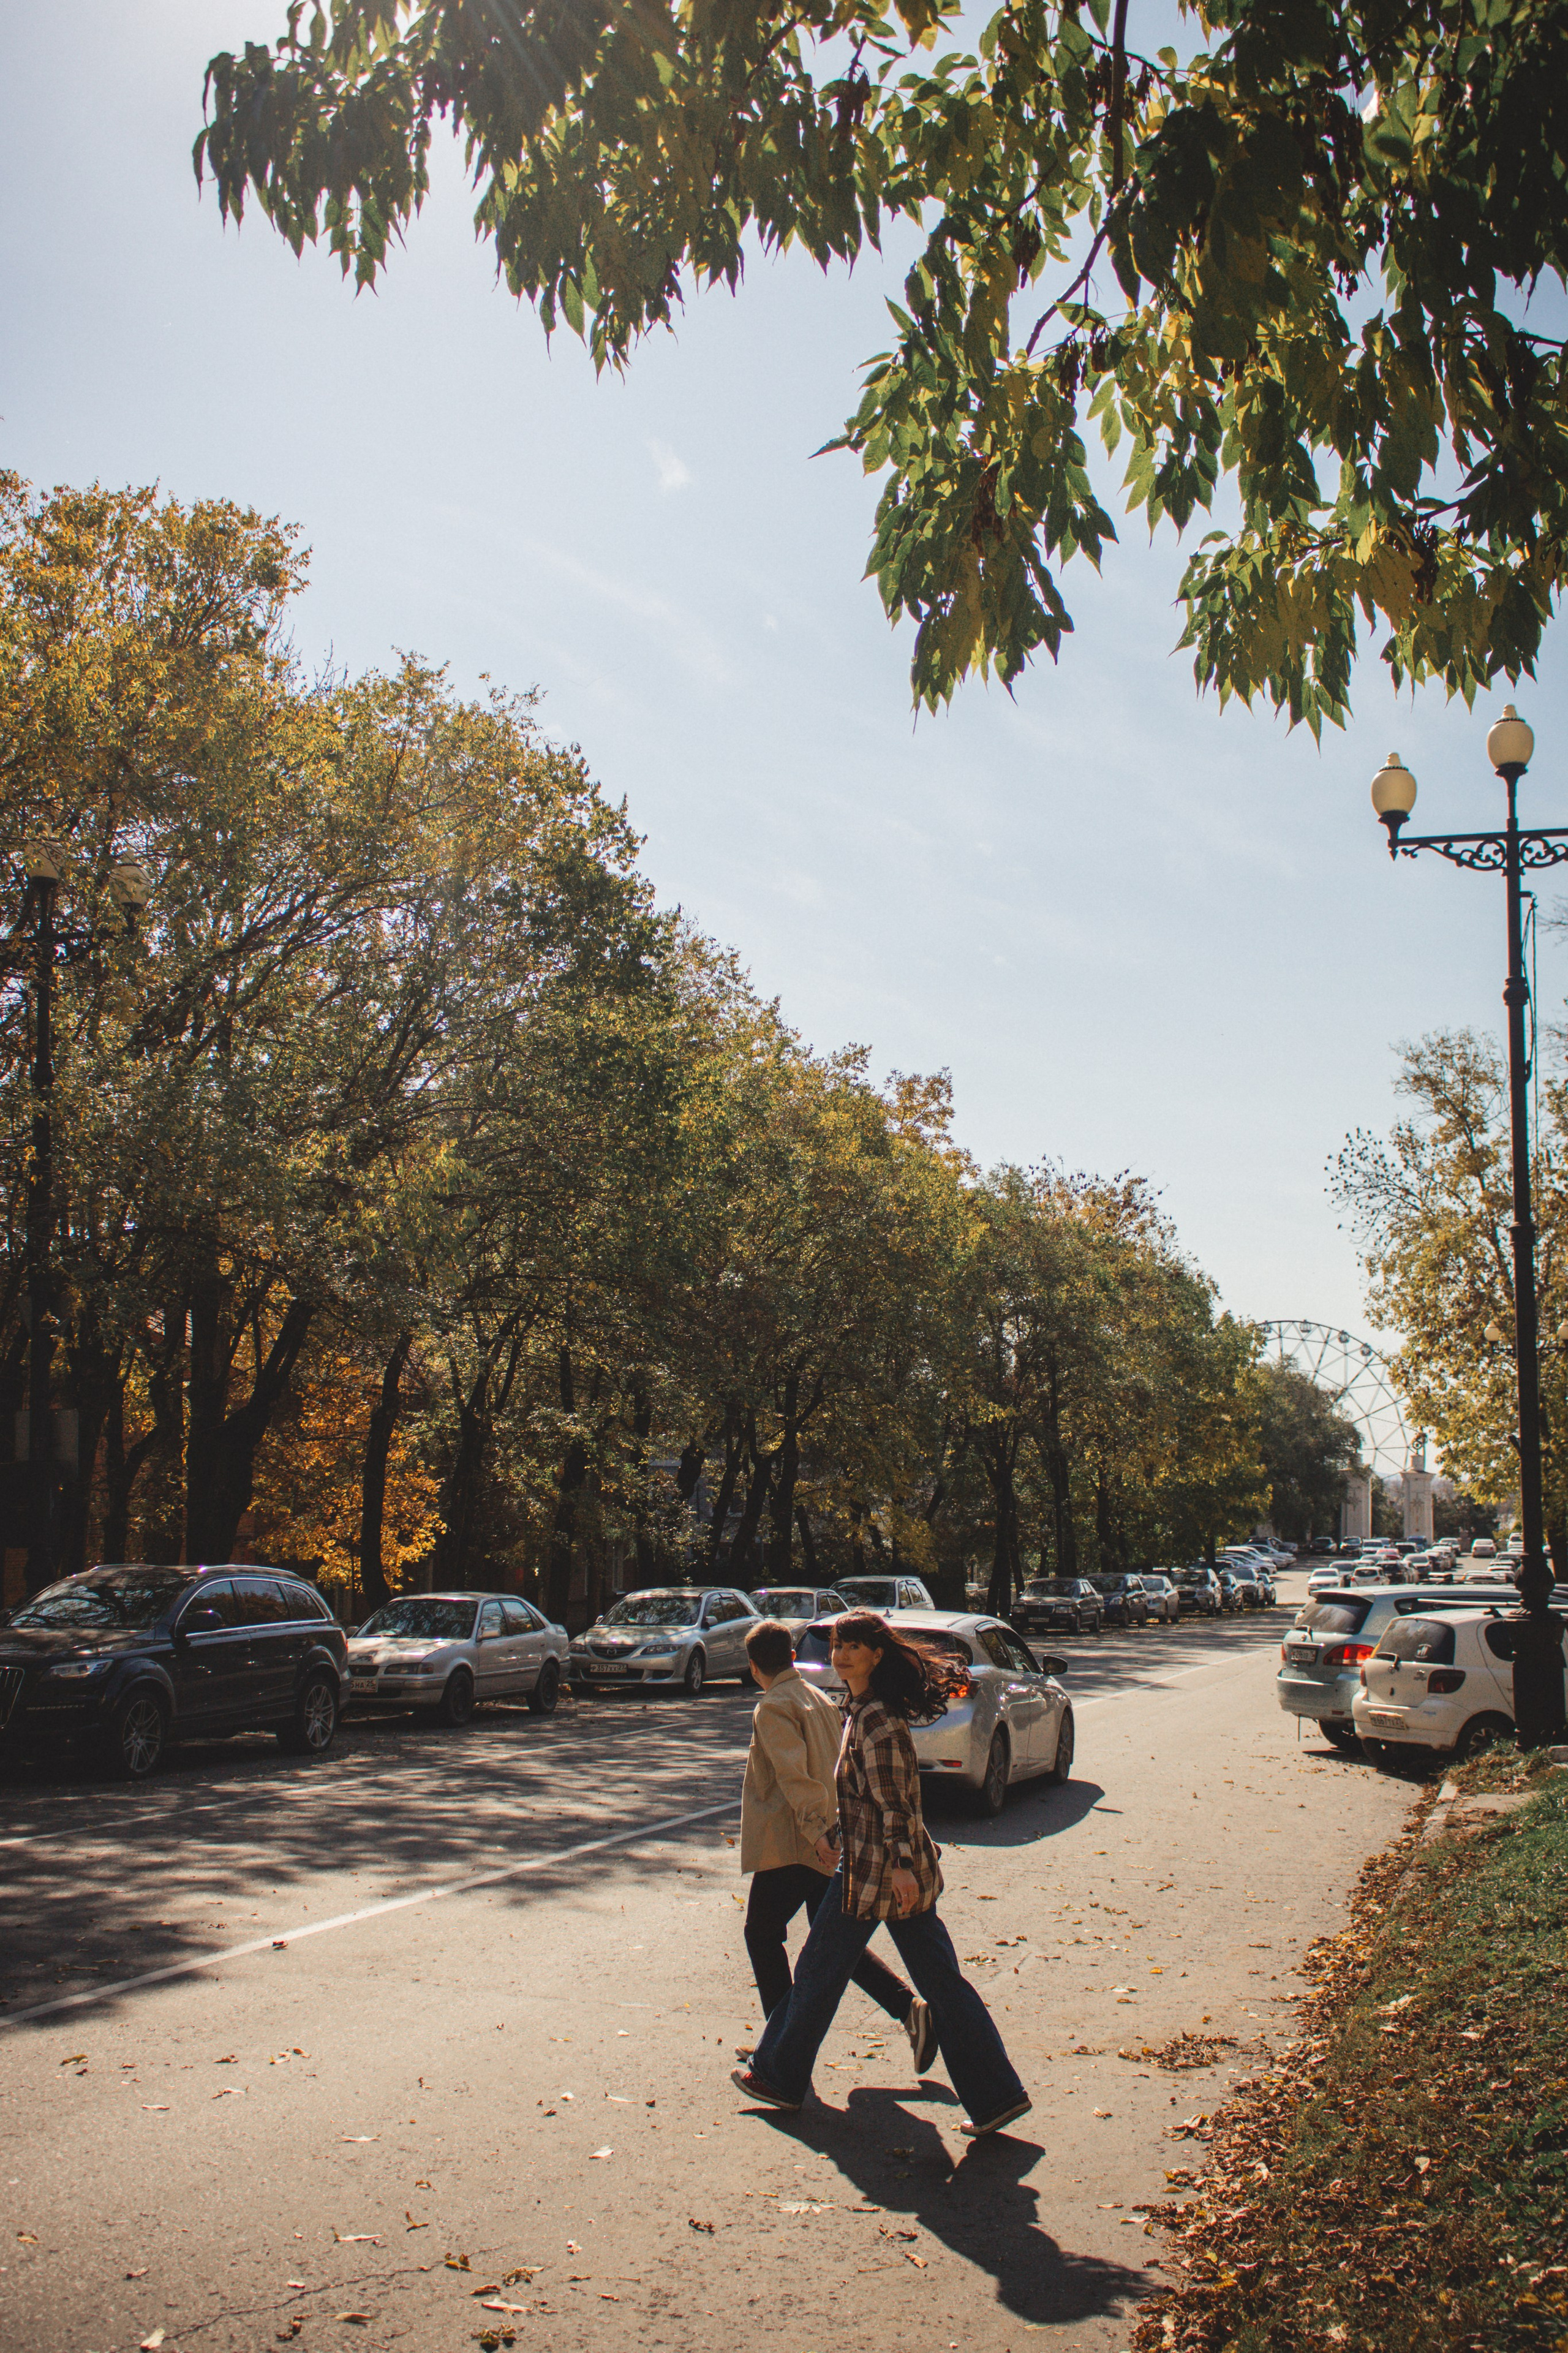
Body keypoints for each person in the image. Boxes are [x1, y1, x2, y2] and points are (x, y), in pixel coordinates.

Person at [733, 1611, 1031, 2139]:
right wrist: (835, 1835)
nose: (842, 1653)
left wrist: (898, 1866)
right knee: (840, 1974)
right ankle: (996, 2096)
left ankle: (779, 2075)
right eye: (838, 1645)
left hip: (883, 1874)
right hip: (864, 1867)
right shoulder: (857, 1707)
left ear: (877, 1654)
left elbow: (897, 1799)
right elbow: (864, 1798)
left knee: (851, 1976)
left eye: (854, 1646)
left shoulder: (877, 1717)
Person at [739, 1618, 936, 2073]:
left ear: (753, 1668)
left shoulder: (773, 1706)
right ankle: (909, 2008)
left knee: (762, 1934)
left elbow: (794, 1776)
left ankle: (780, 2042)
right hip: (830, 1836)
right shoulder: (818, 1696)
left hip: (796, 1842)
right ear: (791, 1657)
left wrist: (817, 1832)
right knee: (832, 1941)